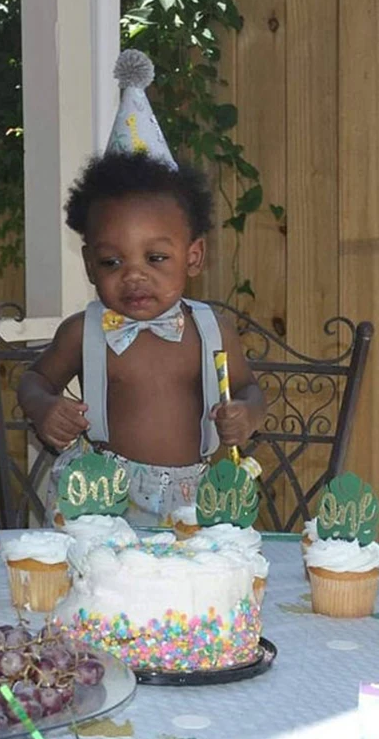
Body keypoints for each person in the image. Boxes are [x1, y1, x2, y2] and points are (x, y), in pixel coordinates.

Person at [17, 150, 266, 527]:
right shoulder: (83, 332)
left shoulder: (212, 331)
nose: (134, 275)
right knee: (93, 567)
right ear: (89, 264)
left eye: (156, 258)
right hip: (99, 496)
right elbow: (34, 380)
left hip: (193, 499)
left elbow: (250, 389)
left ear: (193, 256)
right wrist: (44, 407)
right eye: (111, 262)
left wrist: (247, 414)